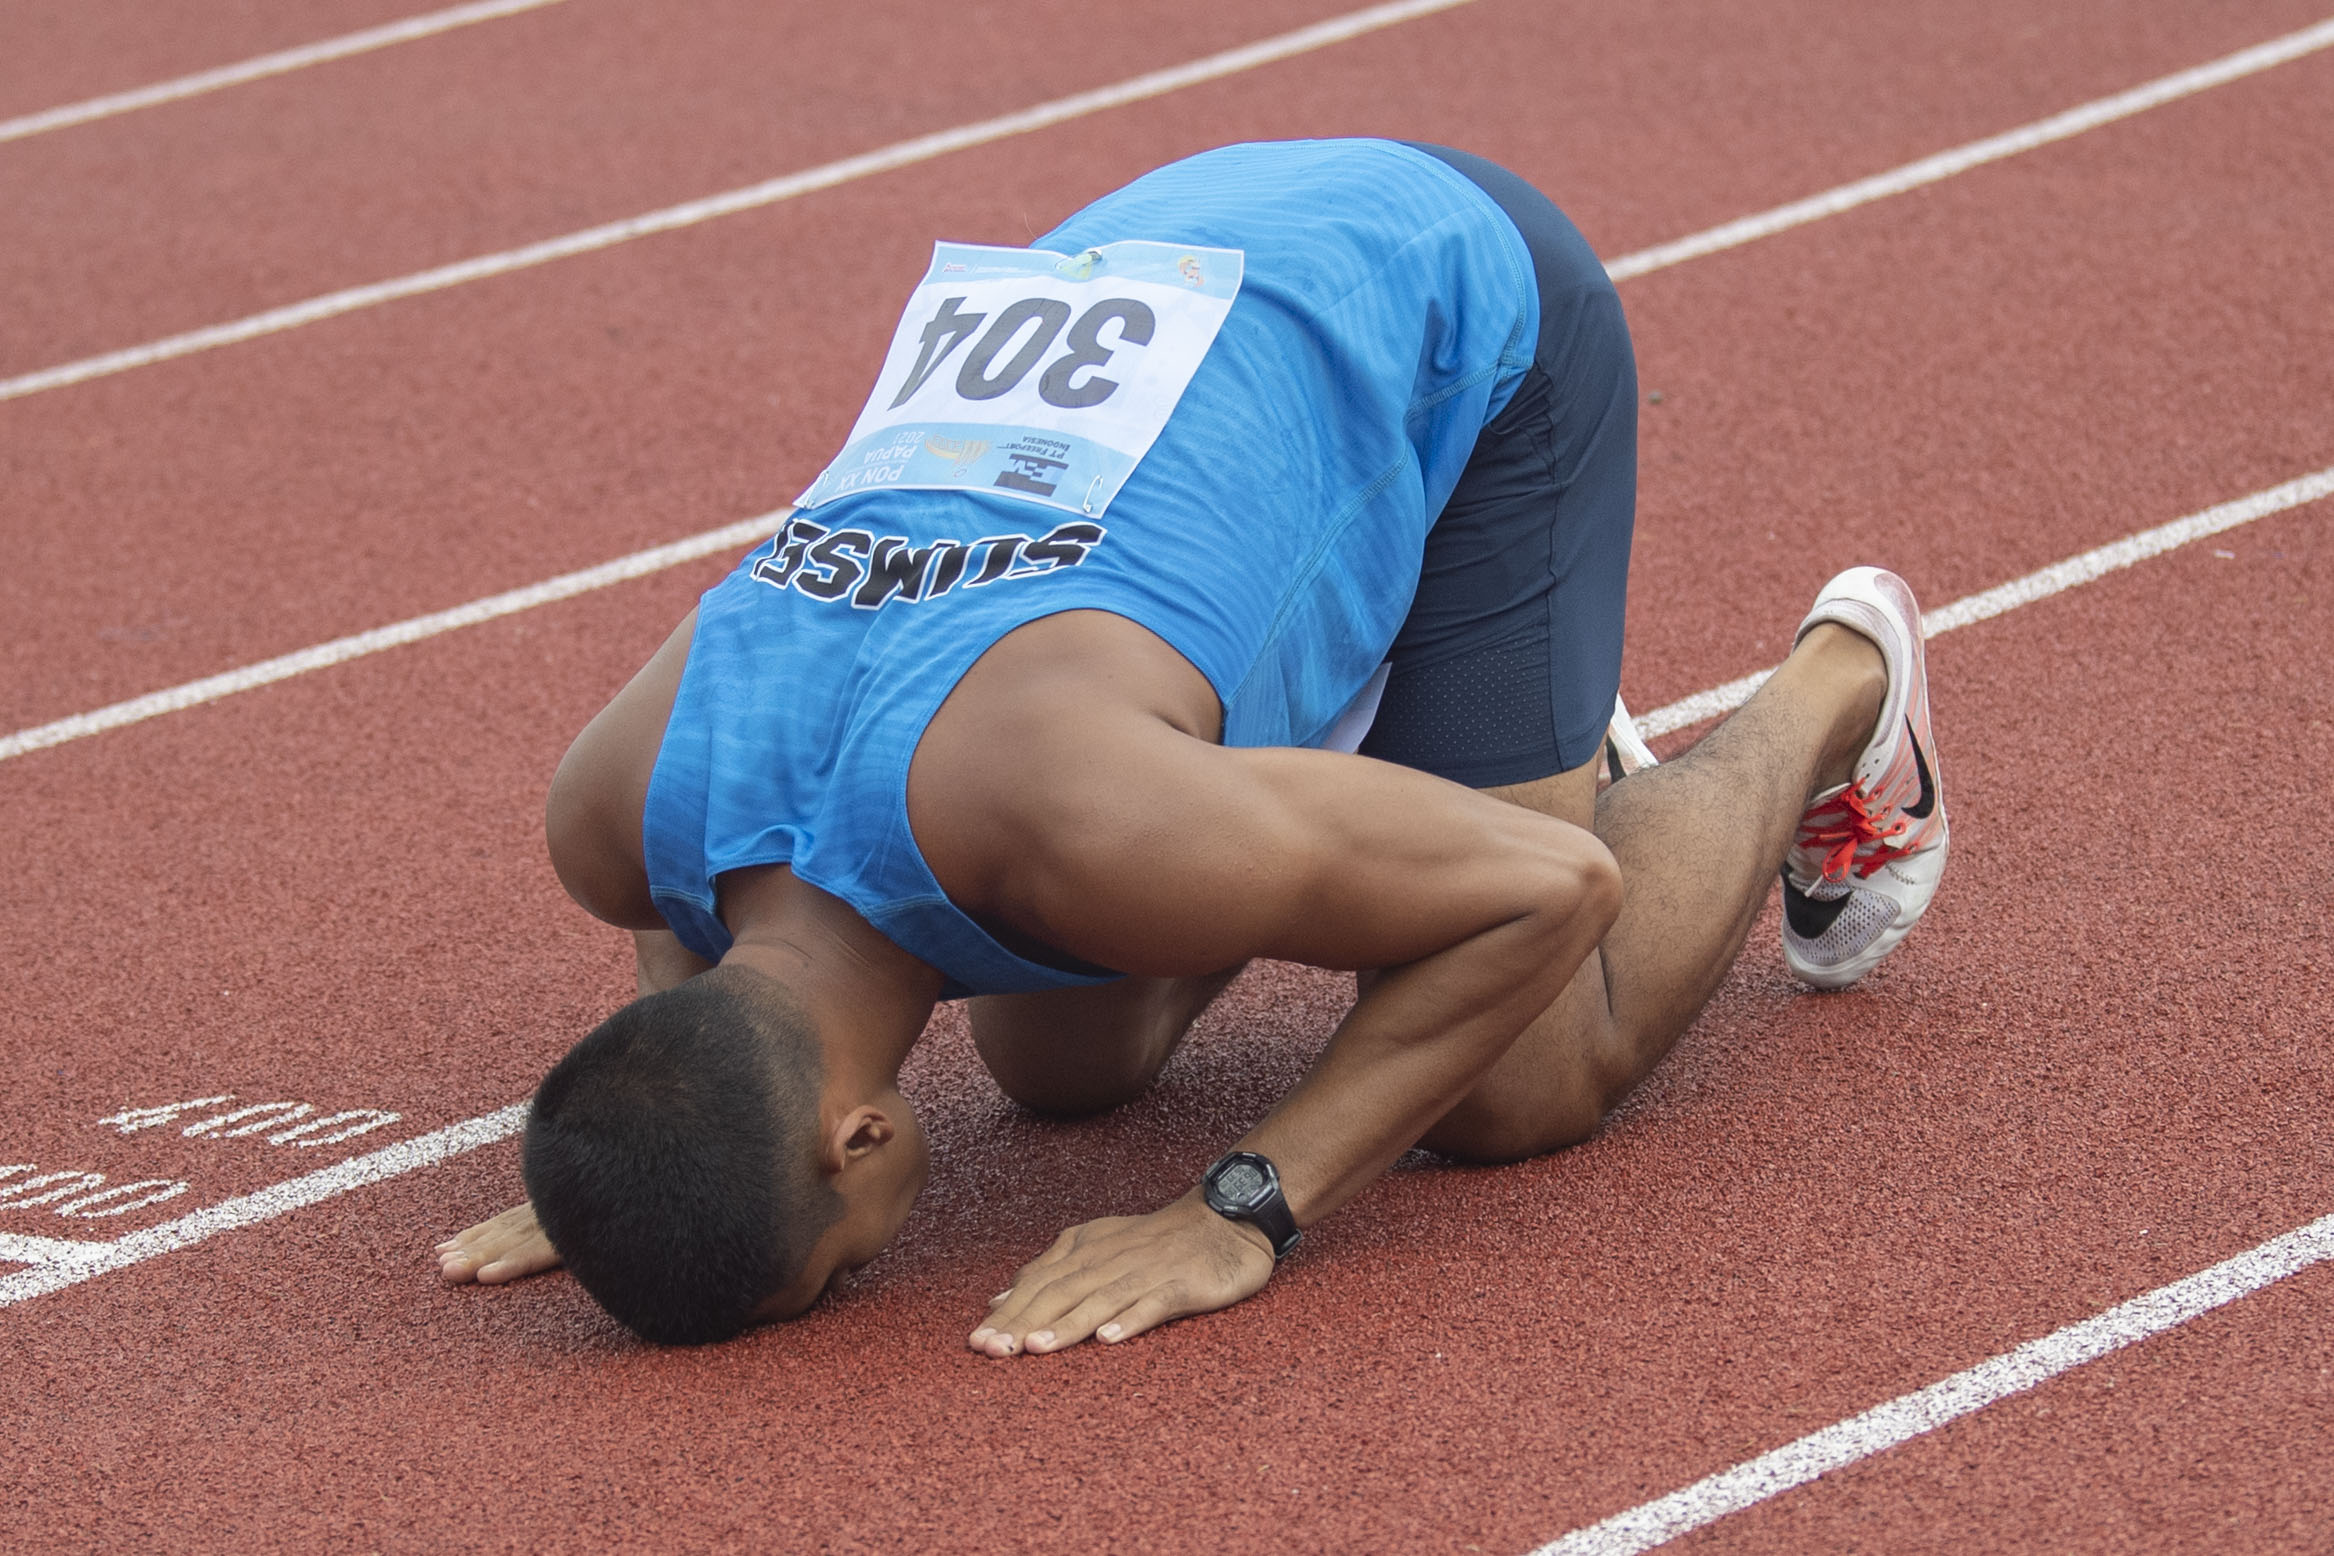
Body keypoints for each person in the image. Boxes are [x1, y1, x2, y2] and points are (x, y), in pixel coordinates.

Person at [434, 140, 1949, 1351]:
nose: (857, 1273)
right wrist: (646, 1157)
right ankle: (1398, 743)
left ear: (861, 1136)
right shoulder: (613, 819)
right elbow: (672, 924)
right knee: (1064, 1066)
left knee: (1515, 1086)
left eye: (829, 1273)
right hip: (1160, 253)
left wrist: (1239, 1210)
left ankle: (1833, 690)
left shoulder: (1081, 821)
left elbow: (1546, 887)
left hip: (1435, 291)